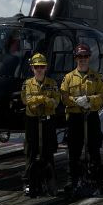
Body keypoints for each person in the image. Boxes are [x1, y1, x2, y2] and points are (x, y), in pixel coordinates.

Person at [60, 43, 103, 193]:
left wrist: (89, 100)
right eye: (80, 56)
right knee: (73, 150)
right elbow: (64, 97)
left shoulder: (96, 77)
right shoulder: (68, 78)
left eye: (85, 56)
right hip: (74, 117)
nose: (83, 59)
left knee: (94, 149)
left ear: (89, 58)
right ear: (75, 58)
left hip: (91, 116)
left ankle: (97, 180)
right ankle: (73, 180)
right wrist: (76, 101)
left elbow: (102, 96)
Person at [21, 53, 60, 196]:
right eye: (36, 67)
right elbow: (26, 100)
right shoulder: (27, 84)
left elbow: (55, 102)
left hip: (47, 121)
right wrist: (44, 98)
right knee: (30, 152)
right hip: (32, 121)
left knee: (48, 152)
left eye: (42, 66)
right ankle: (29, 182)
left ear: (46, 68)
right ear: (32, 68)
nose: (39, 69)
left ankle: (49, 181)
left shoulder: (52, 83)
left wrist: (38, 99)